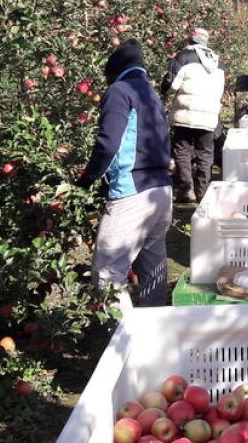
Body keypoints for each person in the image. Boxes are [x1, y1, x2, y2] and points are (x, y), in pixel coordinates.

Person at [74, 40, 173, 310]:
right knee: (153, 270)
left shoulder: (120, 91)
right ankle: (156, 331)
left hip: (132, 194)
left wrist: (86, 179)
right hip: (161, 192)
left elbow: (108, 143)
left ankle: (121, 341)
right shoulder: (150, 94)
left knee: (108, 273)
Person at [160, 27, 225, 203]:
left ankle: (185, 188)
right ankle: (203, 194)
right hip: (209, 116)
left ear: (191, 40)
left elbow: (171, 83)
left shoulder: (183, 57)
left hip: (186, 115)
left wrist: (162, 92)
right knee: (205, 153)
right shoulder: (218, 62)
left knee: (183, 151)